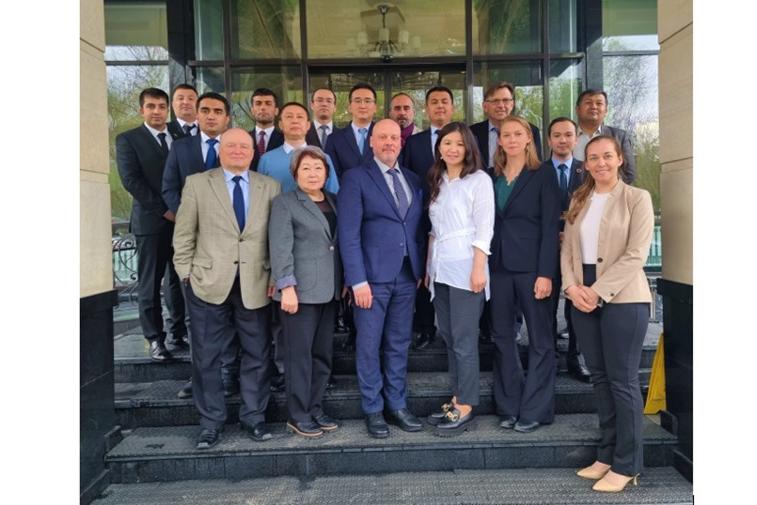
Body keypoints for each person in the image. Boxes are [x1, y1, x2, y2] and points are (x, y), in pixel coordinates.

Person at [173, 127, 281, 450]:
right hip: (207, 283)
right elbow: (184, 234)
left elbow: (275, 237)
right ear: (220, 150)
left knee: (257, 354)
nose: (237, 151)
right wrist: (186, 274)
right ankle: (211, 423)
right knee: (206, 356)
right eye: (231, 145)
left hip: (255, 283)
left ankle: (254, 417)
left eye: (244, 146)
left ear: (253, 152)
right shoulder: (197, 183)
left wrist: (275, 276)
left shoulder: (269, 186)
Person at [563, 135, 653, 492]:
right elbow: (568, 251)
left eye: (607, 156)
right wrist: (571, 288)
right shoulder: (578, 199)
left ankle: (627, 464)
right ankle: (607, 454)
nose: (600, 163)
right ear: (585, 164)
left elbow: (636, 254)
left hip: (624, 298)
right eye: (593, 158)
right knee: (600, 379)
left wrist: (597, 292)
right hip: (581, 296)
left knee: (623, 381)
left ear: (619, 159)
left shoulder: (637, 198)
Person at [337, 119, 425, 439]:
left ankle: (397, 405)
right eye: (382, 137)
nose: (389, 142)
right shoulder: (356, 178)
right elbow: (348, 234)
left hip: (407, 276)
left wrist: (420, 269)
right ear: (371, 142)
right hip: (371, 280)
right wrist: (357, 280)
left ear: (401, 142)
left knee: (398, 344)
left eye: (394, 137)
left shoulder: (413, 179)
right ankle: (373, 408)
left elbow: (416, 228)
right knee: (369, 345)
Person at [488, 116, 560, 434]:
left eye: (518, 134)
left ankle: (535, 410)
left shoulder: (543, 174)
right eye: (506, 134)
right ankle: (509, 406)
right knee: (502, 337)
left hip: (533, 269)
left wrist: (546, 273)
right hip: (498, 268)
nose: (512, 139)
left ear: (528, 138)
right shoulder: (491, 176)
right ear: (499, 140)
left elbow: (550, 227)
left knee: (540, 340)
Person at [162, 91, 234, 399]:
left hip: (231, 245)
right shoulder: (181, 148)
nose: (211, 116)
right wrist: (190, 219)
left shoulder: (237, 146)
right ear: (197, 114)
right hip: (196, 245)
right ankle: (201, 377)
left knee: (229, 315)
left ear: (227, 117)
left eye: (218, 111)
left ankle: (229, 373)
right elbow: (169, 188)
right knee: (198, 319)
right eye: (205, 110)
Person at [423, 122, 494, 436]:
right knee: (450, 338)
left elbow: (484, 228)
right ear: (439, 147)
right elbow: (434, 230)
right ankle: (456, 396)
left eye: (459, 144)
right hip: (441, 269)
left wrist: (479, 268)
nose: (452, 149)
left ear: (468, 148)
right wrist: (429, 269)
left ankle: (466, 405)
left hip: (467, 268)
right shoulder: (438, 180)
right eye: (446, 143)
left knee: (464, 341)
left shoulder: (478, 180)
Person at [268, 146, 342, 438]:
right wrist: (286, 286)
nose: (313, 174)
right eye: (306, 168)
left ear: (327, 173)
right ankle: (298, 415)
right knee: (299, 357)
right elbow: (280, 247)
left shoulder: (334, 200)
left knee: (322, 355)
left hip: (329, 290)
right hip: (299, 293)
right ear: (295, 174)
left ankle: (315, 407)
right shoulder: (285, 203)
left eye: (318, 168)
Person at [116, 87, 186, 362]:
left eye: (161, 106)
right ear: (141, 110)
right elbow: (131, 181)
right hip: (151, 223)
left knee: (180, 280)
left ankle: (178, 331)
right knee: (150, 283)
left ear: (168, 109)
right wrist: (166, 211)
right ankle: (155, 339)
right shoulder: (129, 139)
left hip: (183, 222)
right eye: (151, 106)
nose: (157, 111)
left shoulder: (180, 137)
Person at [401, 86, 456, 350]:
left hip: (456, 222)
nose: (440, 106)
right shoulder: (415, 142)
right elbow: (407, 180)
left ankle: (454, 328)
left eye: (445, 101)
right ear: (426, 109)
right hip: (422, 219)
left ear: (452, 107)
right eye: (434, 102)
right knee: (424, 273)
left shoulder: (464, 139)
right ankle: (425, 327)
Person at [542, 117, 592, 383]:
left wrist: (571, 236)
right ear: (549, 140)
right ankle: (548, 358)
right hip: (546, 248)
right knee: (546, 305)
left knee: (577, 306)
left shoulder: (588, 171)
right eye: (557, 135)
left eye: (568, 135)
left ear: (576, 139)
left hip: (579, 249)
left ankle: (576, 358)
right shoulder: (537, 171)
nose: (563, 140)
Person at [258, 102, 340, 194]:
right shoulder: (266, 160)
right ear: (280, 125)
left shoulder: (323, 158)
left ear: (308, 125)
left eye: (300, 117)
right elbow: (260, 195)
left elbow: (333, 194)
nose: (295, 121)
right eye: (289, 117)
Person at [470, 81, 543, 173]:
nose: (501, 105)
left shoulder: (531, 130)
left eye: (506, 100)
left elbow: (535, 166)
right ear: (485, 106)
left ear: (512, 105)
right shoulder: (472, 132)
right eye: (495, 101)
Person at [573, 89, 635, 184]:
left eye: (599, 103)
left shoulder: (620, 137)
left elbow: (628, 174)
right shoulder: (565, 137)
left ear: (606, 111)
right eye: (588, 103)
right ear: (578, 110)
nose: (594, 107)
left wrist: (604, 189)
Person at [325, 82, 377, 177]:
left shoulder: (386, 136)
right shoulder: (334, 139)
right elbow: (332, 175)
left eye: (367, 101)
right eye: (357, 101)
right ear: (349, 107)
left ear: (375, 107)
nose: (362, 106)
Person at [249, 88, 284, 171]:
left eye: (268, 104)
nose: (263, 107)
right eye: (258, 104)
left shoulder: (285, 140)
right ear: (252, 110)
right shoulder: (243, 139)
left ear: (276, 111)